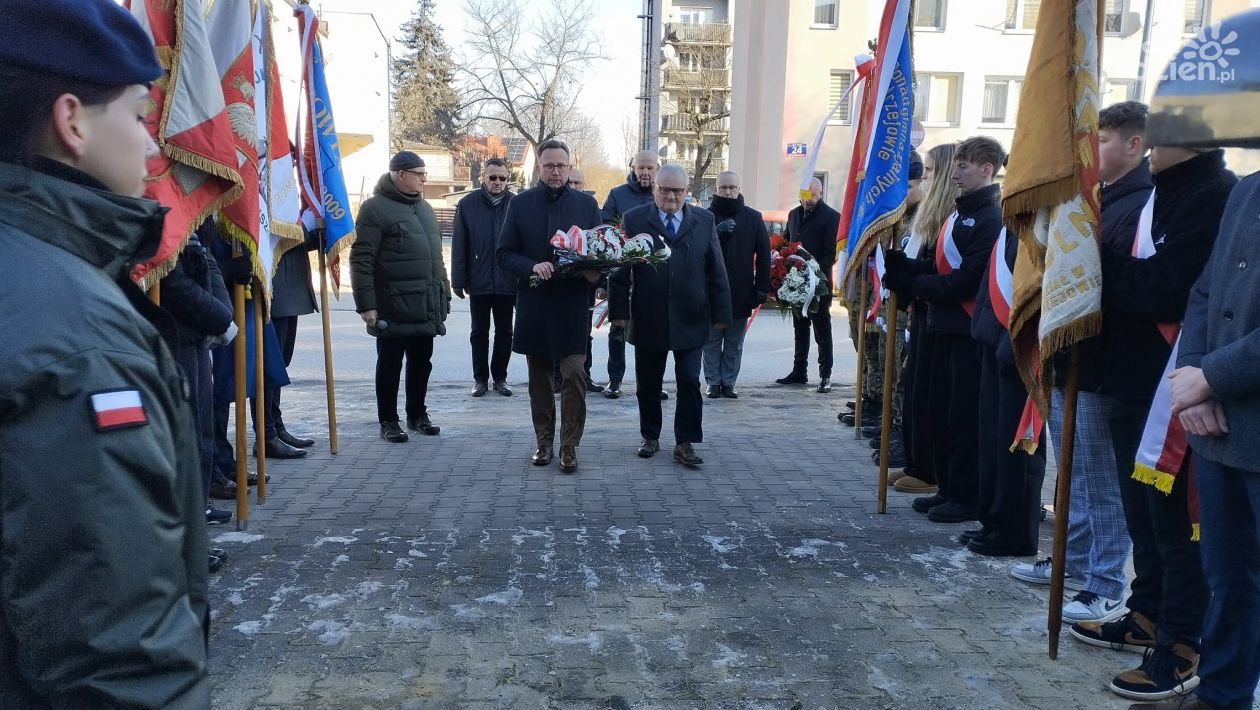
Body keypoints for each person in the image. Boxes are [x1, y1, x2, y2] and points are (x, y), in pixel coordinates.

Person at [0, 0, 209, 703]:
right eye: (141, 115)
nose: (154, 148)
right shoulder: (77, 335)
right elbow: (116, 658)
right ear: (72, 121)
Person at [1090, 134, 1236, 701]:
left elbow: (1166, 290)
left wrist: (1098, 266)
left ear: (1195, 140)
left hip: (1174, 387)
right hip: (1133, 380)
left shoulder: (1215, 194)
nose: (1151, 145)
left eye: (1164, 135)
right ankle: (1147, 612)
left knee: (1178, 528)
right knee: (1145, 519)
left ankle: (1180, 643)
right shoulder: (1161, 195)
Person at [1013, 102, 1152, 621]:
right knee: (1072, 474)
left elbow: (1125, 283)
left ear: (1134, 145)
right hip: (1075, 357)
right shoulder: (1098, 200)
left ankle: (1105, 581)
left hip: (1104, 362)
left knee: (1099, 481)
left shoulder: (1137, 206)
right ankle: (1070, 559)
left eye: (1103, 142)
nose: (1089, 153)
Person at [885, 136, 1004, 524]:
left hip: (966, 328)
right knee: (944, 412)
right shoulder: (959, 212)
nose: (955, 172)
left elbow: (966, 280)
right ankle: (949, 488)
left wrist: (914, 285)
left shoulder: (989, 216)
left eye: (963, 166)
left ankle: (965, 495)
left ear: (986, 169)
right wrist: (907, 268)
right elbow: (939, 267)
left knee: (963, 416)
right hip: (944, 326)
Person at [610, 164, 731, 468]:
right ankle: (650, 436)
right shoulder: (635, 219)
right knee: (648, 384)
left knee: (689, 381)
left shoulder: (704, 220)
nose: (671, 196)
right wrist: (619, 315)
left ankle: (685, 442)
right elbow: (621, 271)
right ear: (655, 190)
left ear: (687, 192)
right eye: (665, 190)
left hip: (691, 317)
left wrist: (721, 314)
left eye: (677, 191)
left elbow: (716, 270)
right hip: (648, 316)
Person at [497, 139, 602, 473]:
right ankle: (544, 442)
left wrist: (594, 273)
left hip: (572, 304)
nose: (555, 171)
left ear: (570, 168)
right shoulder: (521, 204)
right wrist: (532, 266)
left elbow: (601, 253)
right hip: (535, 302)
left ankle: (569, 447)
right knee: (539, 378)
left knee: (574, 375)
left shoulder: (587, 205)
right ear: (539, 167)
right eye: (549, 165)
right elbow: (504, 253)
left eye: (561, 166)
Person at [350, 151, 452, 443]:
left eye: (424, 175)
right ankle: (389, 421)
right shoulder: (375, 209)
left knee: (422, 363)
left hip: (425, 303)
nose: (424, 180)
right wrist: (367, 305)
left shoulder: (426, 209)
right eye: (419, 174)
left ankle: (417, 414)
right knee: (390, 364)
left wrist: (443, 292)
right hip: (392, 304)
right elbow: (362, 259)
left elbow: (436, 259)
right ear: (400, 174)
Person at [160, 220, 237, 550]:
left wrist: (223, 313)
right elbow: (173, 283)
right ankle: (185, 542)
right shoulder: (164, 218)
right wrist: (219, 318)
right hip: (173, 337)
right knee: (183, 437)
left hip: (195, 338)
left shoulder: (192, 221)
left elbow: (206, 262)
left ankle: (196, 518)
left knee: (200, 435)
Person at [889, 143, 958, 496]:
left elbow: (952, 270)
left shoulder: (950, 214)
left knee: (930, 394)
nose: (925, 178)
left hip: (941, 317)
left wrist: (914, 280)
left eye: (930, 171)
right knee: (914, 388)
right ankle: (916, 462)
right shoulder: (927, 215)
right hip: (923, 313)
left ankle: (929, 469)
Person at [702, 170, 770, 399]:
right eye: (723, 188)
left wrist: (762, 287)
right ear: (716, 189)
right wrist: (716, 233)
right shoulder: (705, 217)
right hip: (710, 290)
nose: (728, 192)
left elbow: (763, 255)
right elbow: (697, 252)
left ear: (739, 189)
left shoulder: (753, 217)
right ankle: (712, 381)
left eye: (732, 187)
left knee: (734, 341)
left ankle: (728, 382)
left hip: (741, 291)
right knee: (711, 341)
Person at [452, 157, 516, 397]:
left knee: (505, 332)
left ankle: (500, 378)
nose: (498, 182)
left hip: (508, 281)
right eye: (493, 177)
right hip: (478, 280)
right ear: (483, 177)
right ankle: (480, 379)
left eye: (502, 178)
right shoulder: (468, 204)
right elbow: (459, 244)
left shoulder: (516, 204)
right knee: (479, 332)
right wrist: (458, 280)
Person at [601, 150, 661, 398]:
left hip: (653, 275)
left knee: (652, 332)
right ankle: (615, 380)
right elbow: (603, 229)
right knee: (618, 327)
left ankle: (650, 384)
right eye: (641, 168)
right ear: (633, 168)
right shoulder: (617, 194)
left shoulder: (664, 193)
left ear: (657, 169)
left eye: (650, 168)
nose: (645, 172)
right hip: (621, 274)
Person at [262, 222, 322, 455]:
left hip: (291, 291)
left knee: (280, 365)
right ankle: (267, 434)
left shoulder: (288, 196)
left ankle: (276, 425)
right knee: (269, 369)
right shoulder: (271, 193)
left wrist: (318, 230)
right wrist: (305, 226)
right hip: (276, 292)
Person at [775, 177, 839, 392]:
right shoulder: (793, 215)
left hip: (818, 284)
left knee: (822, 330)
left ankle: (825, 375)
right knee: (800, 328)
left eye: (811, 195)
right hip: (796, 283)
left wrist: (813, 273)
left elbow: (832, 252)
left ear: (820, 193)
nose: (806, 199)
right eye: (803, 195)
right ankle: (799, 371)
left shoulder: (831, 217)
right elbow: (787, 242)